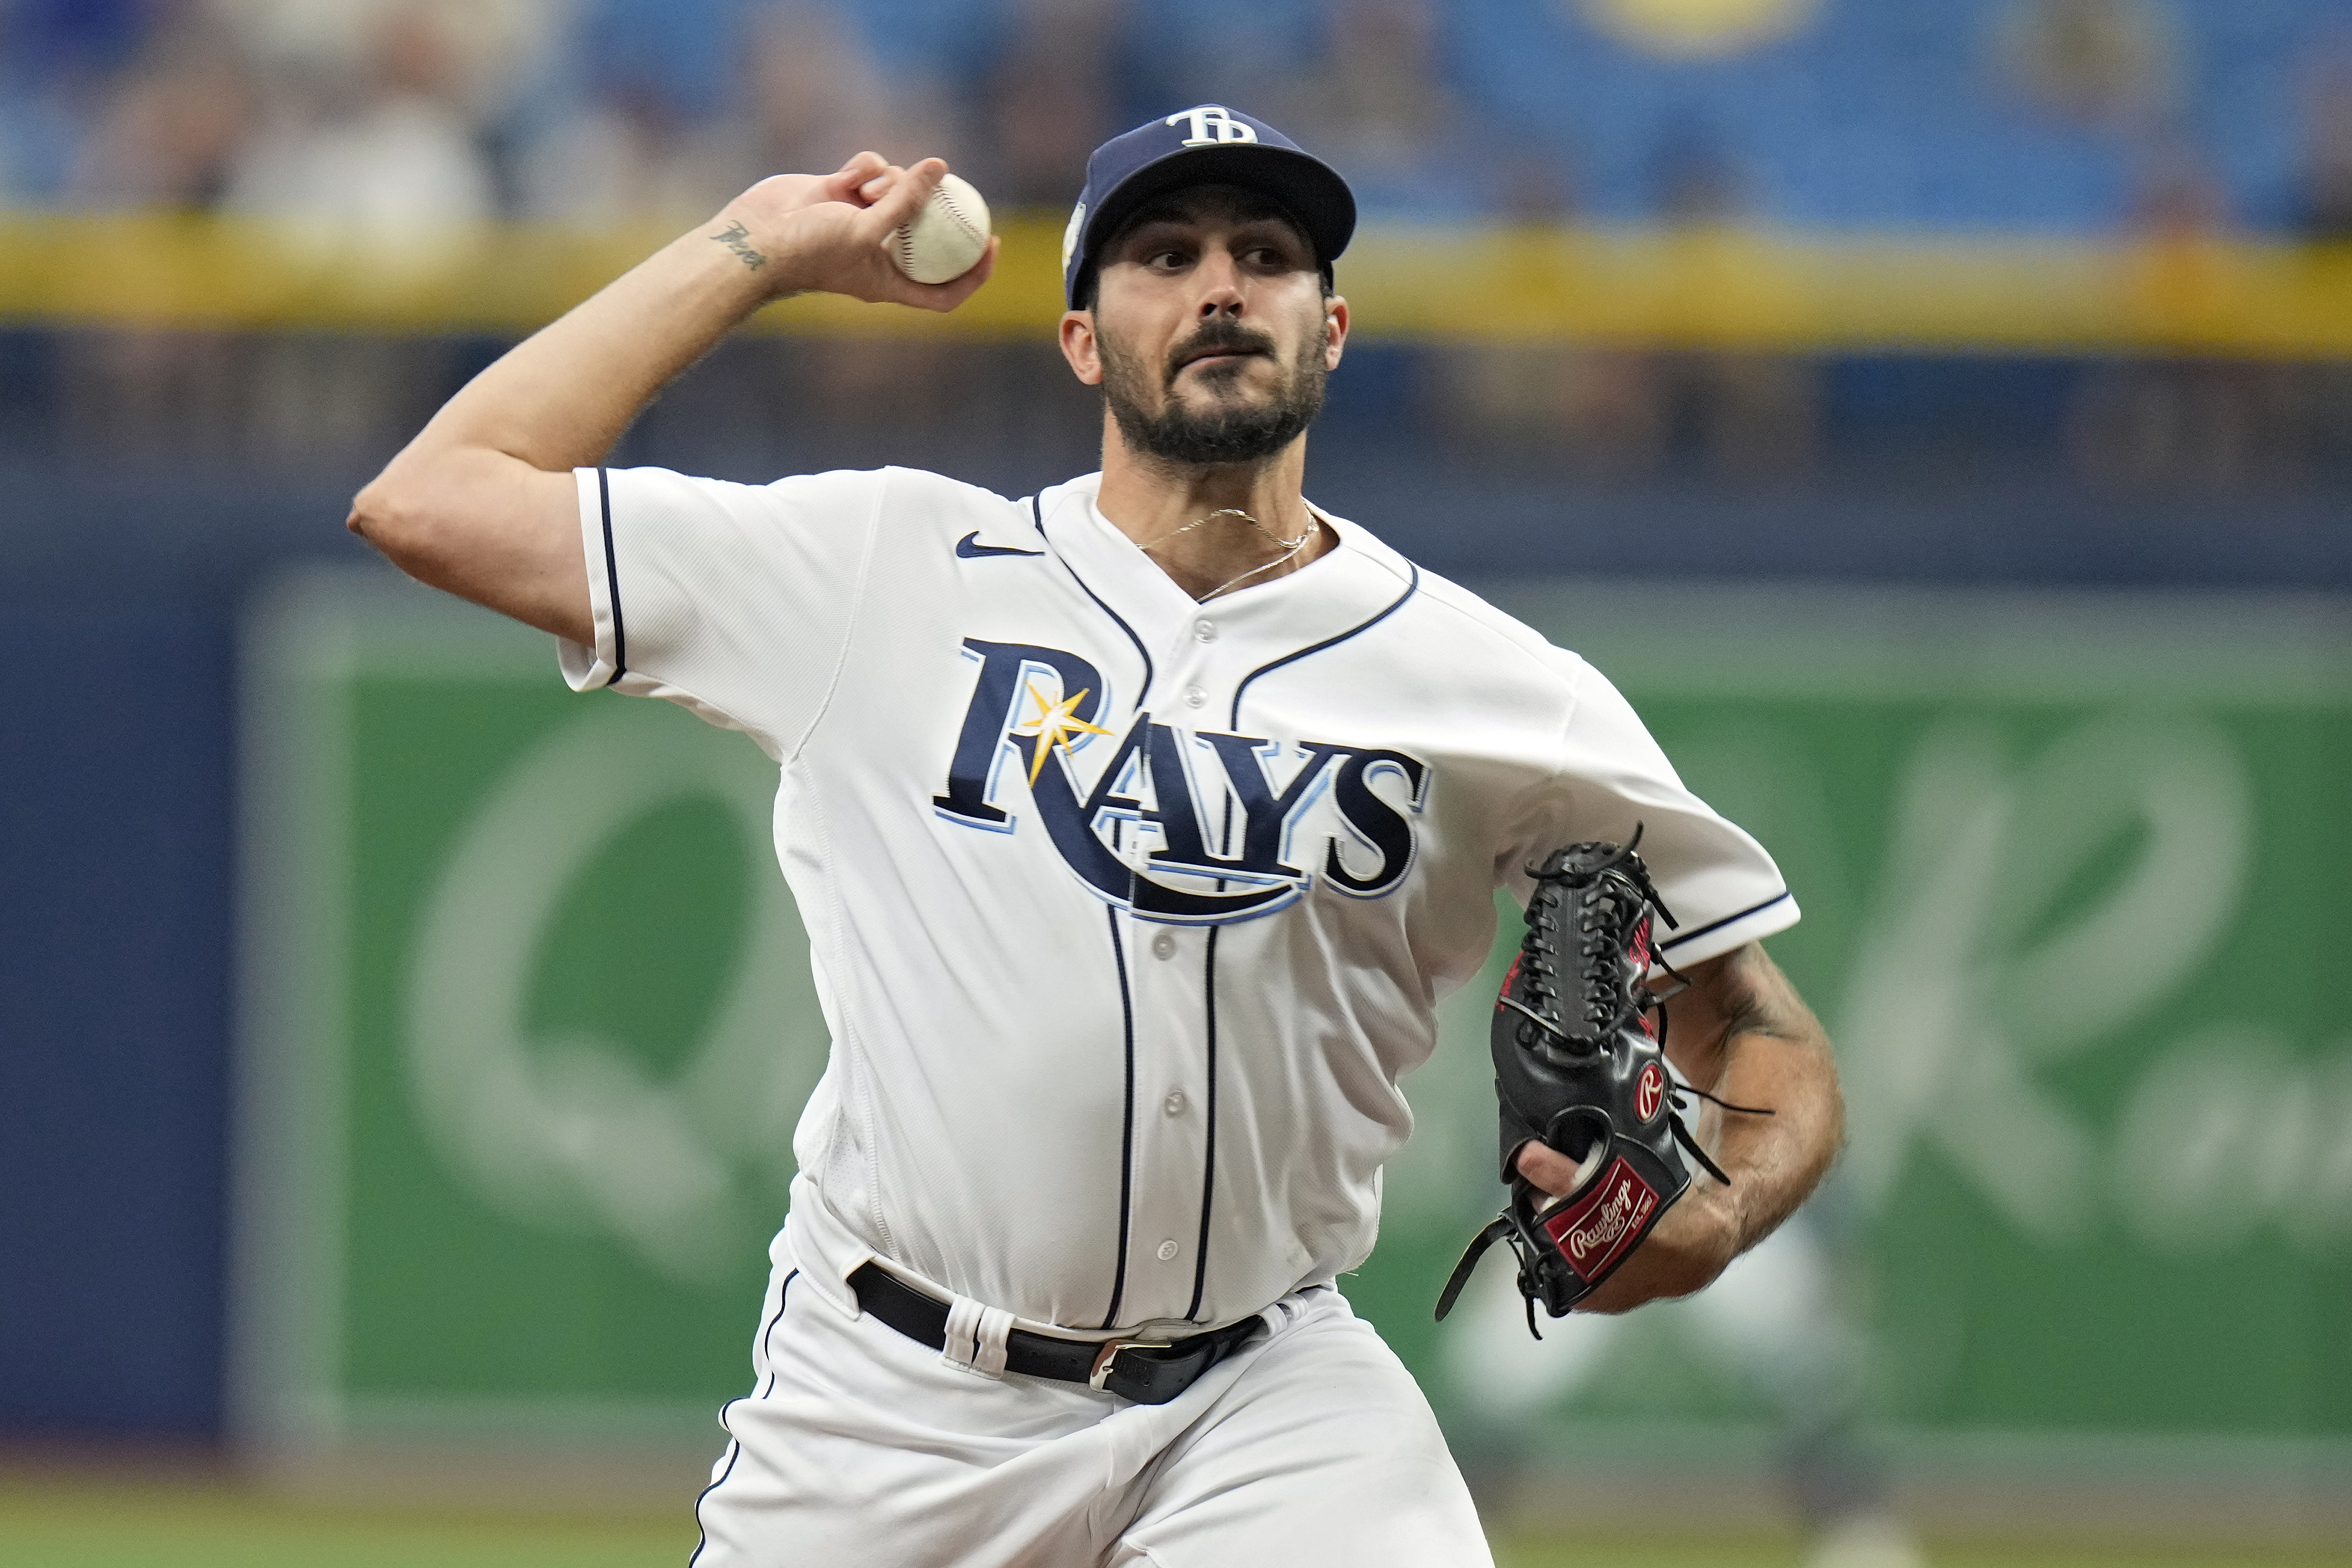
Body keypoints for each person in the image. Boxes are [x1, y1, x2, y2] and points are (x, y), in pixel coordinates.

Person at [348, 105, 1845, 1568]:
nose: (1219, 284)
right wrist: (757, 249)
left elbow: (1765, 1034)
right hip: (891, 1402)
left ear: (1331, 329)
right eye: (1162, 253)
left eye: (1267, 253)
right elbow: (435, 500)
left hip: (1265, 1405)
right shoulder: (888, 567)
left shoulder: (1497, 690)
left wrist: (1713, 1217)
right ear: (1082, 340)